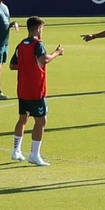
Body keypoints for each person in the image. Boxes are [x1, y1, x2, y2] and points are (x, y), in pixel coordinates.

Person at [10, 16, 63, 166]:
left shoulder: (20, 45)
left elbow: (12, 65)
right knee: (41, 120)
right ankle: (34, 154)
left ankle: (16, 150)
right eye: (42, 29)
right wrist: (57, 53)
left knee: (23, 118)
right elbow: (44, 59)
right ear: (38, 28)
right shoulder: (38, 44)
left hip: (22, 89)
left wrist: (27, 66)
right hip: (35, 90)